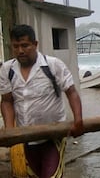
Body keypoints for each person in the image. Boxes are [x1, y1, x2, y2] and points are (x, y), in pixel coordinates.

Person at [0, 24, 84, 177]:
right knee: (32, 174)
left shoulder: (52, 65)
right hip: (24, 137)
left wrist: (78, 120)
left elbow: (71, 93)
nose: (20, 51)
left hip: (53, 136)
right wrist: (9, 129)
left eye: (25, 45)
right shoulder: (7, 70)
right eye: (16, 46)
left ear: (35, 44)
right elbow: (6, 101)